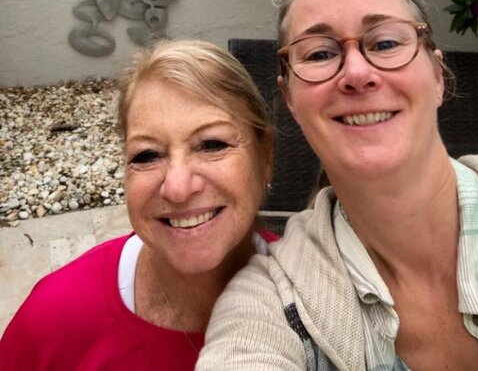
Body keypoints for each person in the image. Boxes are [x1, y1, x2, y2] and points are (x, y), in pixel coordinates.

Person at [197, 0, 478, 371]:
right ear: (290, 100)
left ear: (436, 76)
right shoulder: (267, 305)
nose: (357, 73)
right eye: (320, 53)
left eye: (387, 42)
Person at [0, 39, 275, 370]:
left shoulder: (317, 298)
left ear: (265, 157)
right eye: (147, 155)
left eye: (211, 144)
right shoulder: (56, 318)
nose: (177, 187)